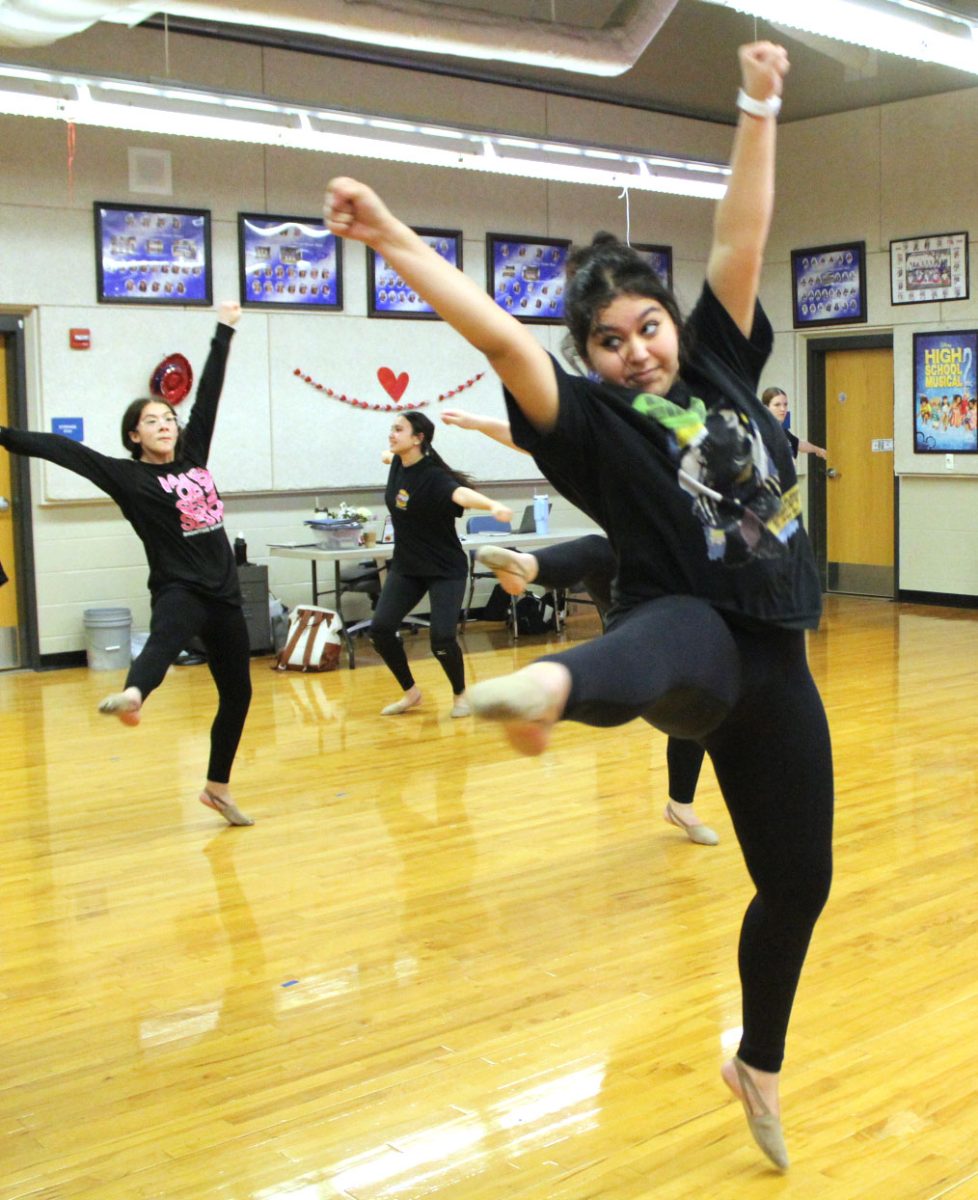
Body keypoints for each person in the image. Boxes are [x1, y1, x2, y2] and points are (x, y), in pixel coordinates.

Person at [325, 39, 833, 1172]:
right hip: (690, 647)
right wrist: (393, 237)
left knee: (800, 883)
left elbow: (739, 236)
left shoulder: (716, 364)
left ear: (669, 323)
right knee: (667, 637)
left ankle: (758, 1060)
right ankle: (546, 685)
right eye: (612, 340)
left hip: (783, 666)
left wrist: (756, 101)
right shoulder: (592, 426)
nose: (639, 349)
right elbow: (500, 335)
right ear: (592, 359)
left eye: (648, 325)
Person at [0, 301, 254, 827]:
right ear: (134, 435)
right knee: (164, 641)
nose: (165, 425)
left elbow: (208, 394)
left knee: (238, 693)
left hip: (225, 592)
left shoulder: (194, 457)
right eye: (152, 421)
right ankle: (135, 694)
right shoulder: (126, 476)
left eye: (168, 419)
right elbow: (58, 448)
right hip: (181, 588)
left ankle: (217, 787)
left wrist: (223, 331)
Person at [441, 406, 716, 846]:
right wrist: (479, 424)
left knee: (694, 711)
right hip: (635, 599)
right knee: (596, 548)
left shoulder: (711, 480)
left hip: (682, 620)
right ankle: (526, 566)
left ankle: (679, 805)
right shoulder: (635, 467)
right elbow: (540, 442)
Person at [370, 409, 512, 718]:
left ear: (418, 439)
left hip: (445, 569)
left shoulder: (434, 477)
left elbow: (461, 495)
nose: (391, 434)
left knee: (442, 638)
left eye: (398, 430)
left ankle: (461, 696)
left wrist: (491, 504)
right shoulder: (397, 461)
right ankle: (411, 693)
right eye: (391, 428)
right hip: (407, 567)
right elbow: (386, 455)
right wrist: (388, 453)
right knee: (381, 629)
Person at [761, 387, 827, 460]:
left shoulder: (781, 431)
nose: (783, 409)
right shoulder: (763, 433)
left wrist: (818, 450)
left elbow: (798, 444)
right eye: (777, 405)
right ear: (766, 408)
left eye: (785, 404)